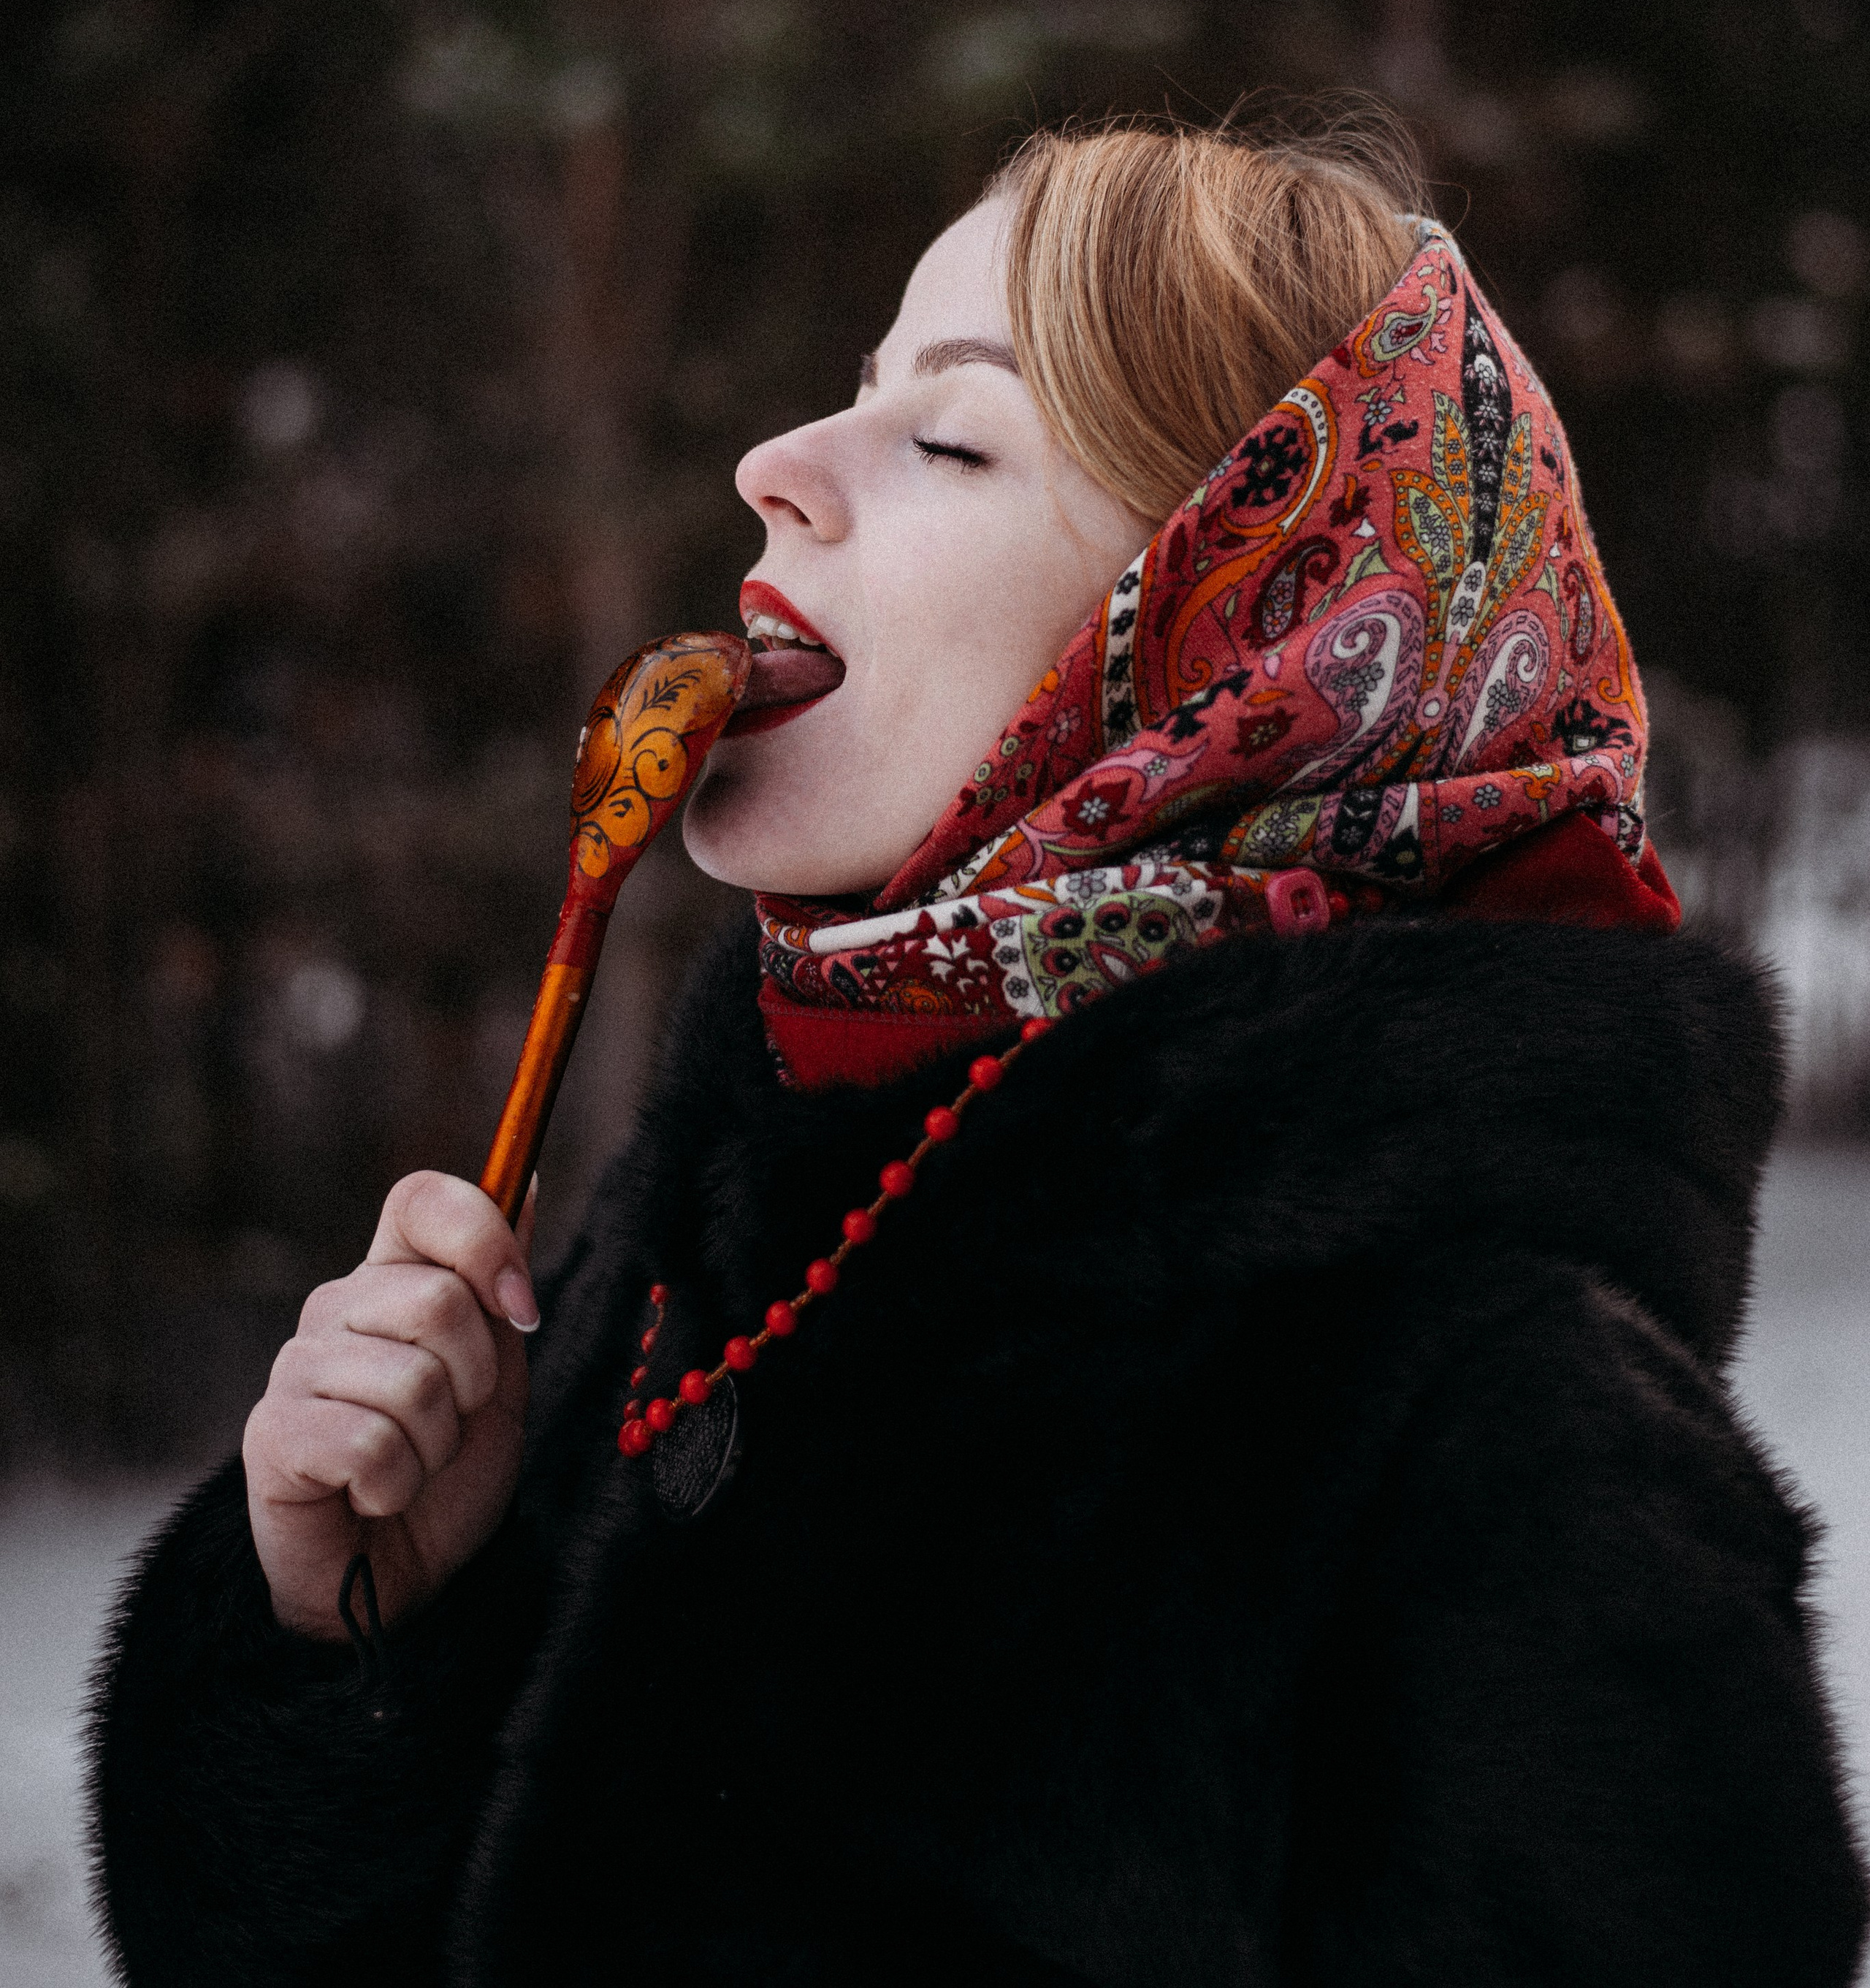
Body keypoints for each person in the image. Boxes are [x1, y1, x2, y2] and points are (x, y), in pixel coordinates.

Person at [93, 110, 1867, 1987]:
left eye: (946, 435)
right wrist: (357, 1635)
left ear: (1235, 636)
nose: (772, 465)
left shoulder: (1495, 1457)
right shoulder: (682, 1261)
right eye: (851, 390)